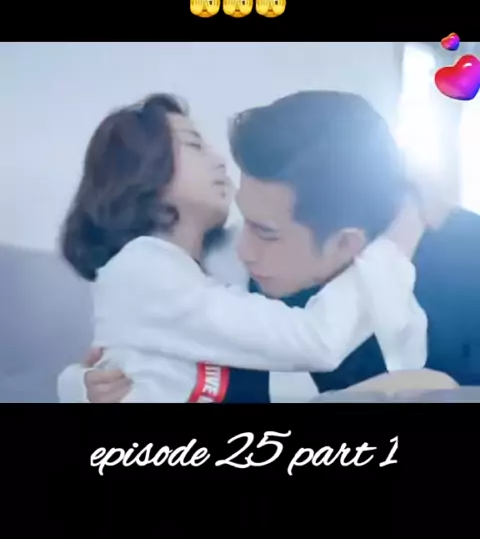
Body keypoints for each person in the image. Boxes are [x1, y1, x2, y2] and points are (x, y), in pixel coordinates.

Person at [81, 90, 480, 403]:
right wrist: (93, 385)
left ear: (346, 242)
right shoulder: (255, 281)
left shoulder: (465, 267)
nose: (245, 252)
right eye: (247, 222)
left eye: (266, 233)